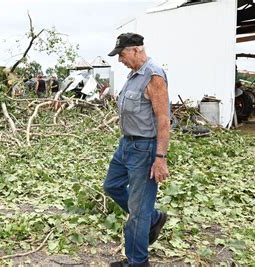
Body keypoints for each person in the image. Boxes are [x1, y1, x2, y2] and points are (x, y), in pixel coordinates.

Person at [104, 33, 170, 267]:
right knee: (111, 185)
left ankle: (137, 262)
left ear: (135, 50)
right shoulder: (133, 75)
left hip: (144, 149)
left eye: (121, 54)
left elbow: (163, 119)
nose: (119, 59)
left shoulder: (153, 76)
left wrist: (160, 158)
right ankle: (153, 218)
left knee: (137, 212)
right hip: (126, 145)